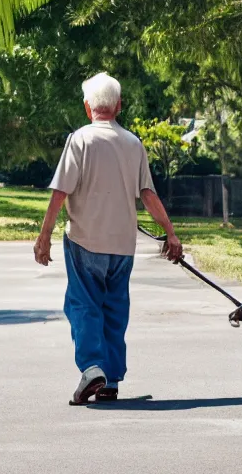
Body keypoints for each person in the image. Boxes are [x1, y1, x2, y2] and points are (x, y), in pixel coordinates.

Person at [33, 72, 182, 404]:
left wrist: (44, 236)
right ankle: (111, 379)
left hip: (85, 242)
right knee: (115, 310)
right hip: (122, 247)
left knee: (83, 306)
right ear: (118, 106)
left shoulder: (80, 140)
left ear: (88, 107)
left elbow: (60, 192)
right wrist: (170, 234)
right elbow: (148, 194)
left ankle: (92, 368)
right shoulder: (133, 143)